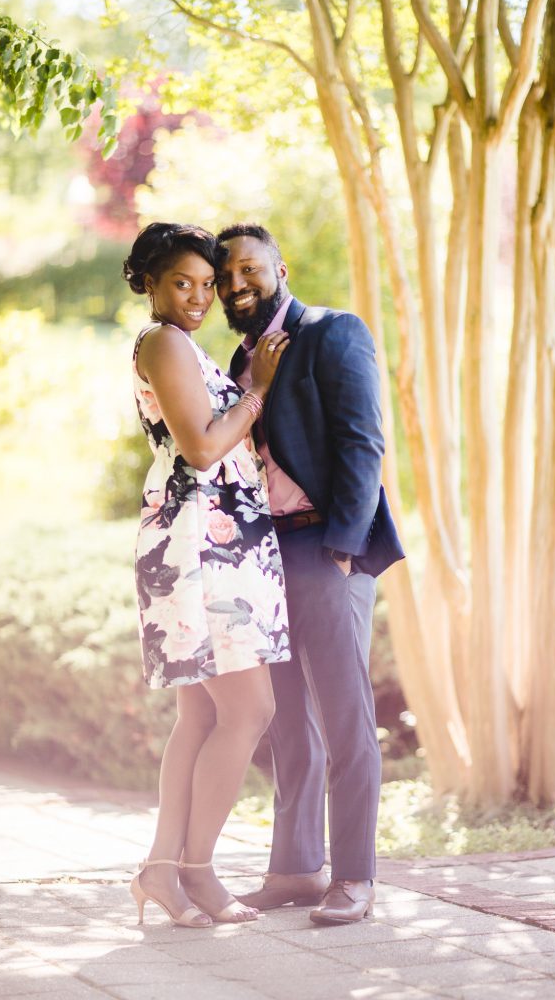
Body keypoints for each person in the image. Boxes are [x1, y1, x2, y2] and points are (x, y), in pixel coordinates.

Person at [215, 224, 405, 925]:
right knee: (288, 720)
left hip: (327, 547)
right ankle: (295, 869)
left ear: (279, 268)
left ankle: (355, 876)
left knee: (345, 716)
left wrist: (345, 547)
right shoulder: (236, 363)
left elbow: (363, 441)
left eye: (248, 269)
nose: (236, 283)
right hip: (263, 557)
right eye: (225, 275)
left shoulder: (333, 332)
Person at [123, 222, 291, 928]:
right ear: (151, 286)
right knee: (250, 711)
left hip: (212, 542)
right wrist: (256, 392)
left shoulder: (181, 344)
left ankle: (163, 870)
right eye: (181, 284)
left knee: (203, 712)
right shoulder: (163, 342)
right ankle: (199, 871)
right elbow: (199, 448)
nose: (196, 297)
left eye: (205, 285)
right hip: (200, 547)